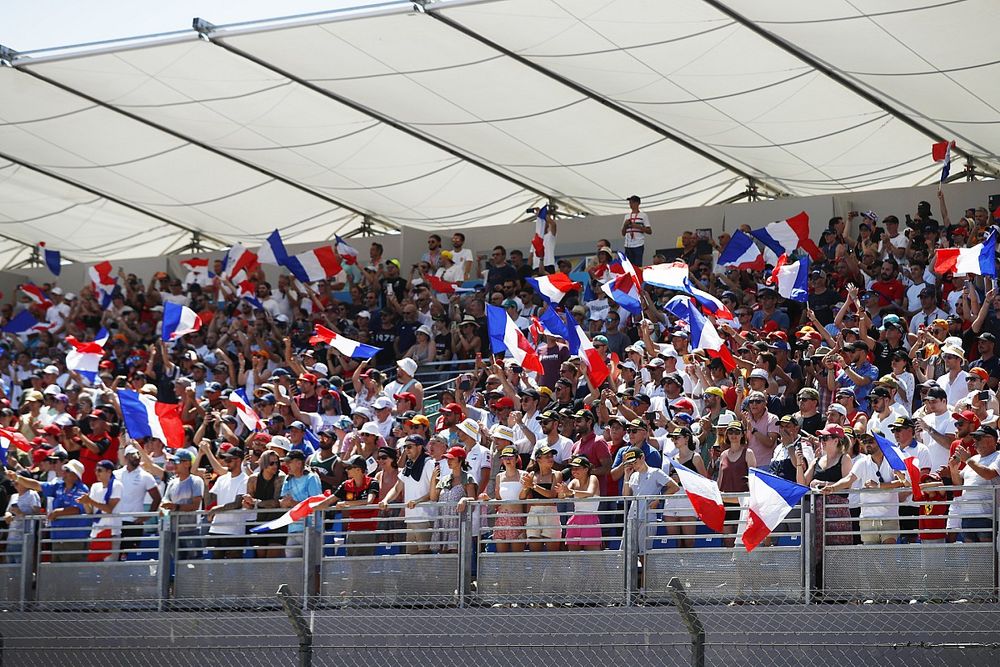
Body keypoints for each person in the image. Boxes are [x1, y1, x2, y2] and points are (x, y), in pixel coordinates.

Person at [6, 460, 89, 563]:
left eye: (67, 470)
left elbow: (76, 509)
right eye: (64, 469)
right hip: (57, 536)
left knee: (71, 571)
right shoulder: (59, 485)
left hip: (74, 538)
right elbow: (36, 485)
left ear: (76, 475)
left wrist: (57, 512)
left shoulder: (81, 489)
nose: (64, 472)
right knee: (56, 570)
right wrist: (17, 478)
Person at [380, 436, 437, 554]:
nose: (406, 449)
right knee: (411, 558)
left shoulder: (429, 463)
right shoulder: (409, 465)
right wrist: (386, 500)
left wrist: (418, 501)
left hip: (425, 517)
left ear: (420, 447)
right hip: (411, 518)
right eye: (405, 447)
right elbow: (397, 488)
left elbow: (435, 491)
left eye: (409, 446)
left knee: (424, 556)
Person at [948, 425, 1000, 543]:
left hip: (986, 515)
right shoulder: (974, 459)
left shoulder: (998, 456)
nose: (974, 442)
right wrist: (953, 469)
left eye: (978, 438)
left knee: (986, 554)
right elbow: (959, 484)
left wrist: (967, 460)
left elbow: (989, 474)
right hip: (967, 514)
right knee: (972, 556)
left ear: (990, 440)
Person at [429, 446, 477, 553]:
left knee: (456, 556)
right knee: (444, 559)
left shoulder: (468, 478)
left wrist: (465, 499)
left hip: (458, 525)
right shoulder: (444, 479)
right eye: (447, 459)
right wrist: (433, 479)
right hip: (443, 523)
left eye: (452, 458)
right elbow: (433, 497)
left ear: (460, 460)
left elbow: (473, 500)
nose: (448, 461)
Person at [332, 455, 381, 556]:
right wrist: (312, 506)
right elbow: (330, 500)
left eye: (349, 467)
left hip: (367, 530)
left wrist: (346, 503)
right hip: (351, 530)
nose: (346, 470)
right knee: (351, 565)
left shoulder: (373, 482)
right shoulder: (346, 484)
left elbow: (369, 500)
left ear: (358, 470)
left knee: (363, 566)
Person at [160, 450, 205, 560]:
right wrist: (164, 508)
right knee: (177, 563)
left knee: (194, 564)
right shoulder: (172, 482)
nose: (174, 465)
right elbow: (164, 502)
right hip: (174, 530)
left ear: (187, 463)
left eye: (177, 462)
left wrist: (174, 507)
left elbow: (195, 505)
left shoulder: (196, 481)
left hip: (191, 530)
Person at [717, 421, 756, 547]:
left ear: (742, 435)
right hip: (726, 501)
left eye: (737, 432)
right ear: (727, 435)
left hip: (743, 502)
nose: (734, 435)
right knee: (728, 539)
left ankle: (742, 565)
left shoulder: (748, 453)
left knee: (742, 538)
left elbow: (753, 478)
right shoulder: (723, 454)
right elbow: (720, 479)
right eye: (731, 432)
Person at [242, 449, 287, 558]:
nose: (275, 466)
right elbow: (250, 503)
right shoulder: (253, 479)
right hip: (260, 522)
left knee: (272, 558)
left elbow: (276, 503)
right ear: (264, 463)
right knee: (261, 560)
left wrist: (255, 502)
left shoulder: (280, 477)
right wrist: (247, 503)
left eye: (277, 463)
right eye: (271, 463)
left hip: (277, 523)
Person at [206, 447, 249, 559]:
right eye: (225, 460)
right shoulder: (221, 479)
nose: (226, 463)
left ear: (239, 460)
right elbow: (208, 501)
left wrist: (215, 509)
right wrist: (206, 484)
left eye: (229, 460)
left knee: (234, 567)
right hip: (216, 528)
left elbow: (237, 504)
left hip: (235, 530)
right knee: (216, 565)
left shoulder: (245, 479)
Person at [278, 450, 321, 559]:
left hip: (311, 528)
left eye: (289, 462)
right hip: (293, 528)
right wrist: (284, 503)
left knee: (314, 565)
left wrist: (292, 503)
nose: (286, 465)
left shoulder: (312, 478)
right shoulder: (288, 479)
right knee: (292, 567)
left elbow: (315, 503)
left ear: (299, 463)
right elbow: (283, 501)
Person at [520, 444, 563, 552]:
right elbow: (522, 497)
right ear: (538, 459)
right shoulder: (531, 475)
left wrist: (533, 486)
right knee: (534, 553)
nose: (551, 459)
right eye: (547, 456)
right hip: (534, 513)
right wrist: (526, 488)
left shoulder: (556, 474)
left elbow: (552, 495)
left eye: (551, 456)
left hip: (550, 513)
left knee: (553, 554)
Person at [78, 459, 122, 562]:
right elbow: (90, 512)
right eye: (96, 470)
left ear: (109, 472)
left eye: (99, 470)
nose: (96, 473)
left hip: (111, 532)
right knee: (94, 567)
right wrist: (85, 502)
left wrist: (90, 501)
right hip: (96, 532)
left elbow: (109, 509)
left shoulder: (117, 485)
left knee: (108, 568)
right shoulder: (94, 486)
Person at [556, 455, 601, 551]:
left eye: (577, 468)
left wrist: (570, 492)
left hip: (590, 519)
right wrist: (561, 491)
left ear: (586, 469)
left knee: (593, 556)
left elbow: (590, 493)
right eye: (572, 469)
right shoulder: (574, 481)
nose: (574, 471)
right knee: (574, 556)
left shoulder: (593, 478)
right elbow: (562, 496)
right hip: (575, 520)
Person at [485, 444, 525, 552]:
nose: (507, 460)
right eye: (505, 457)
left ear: (516, 459)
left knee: (517, 558)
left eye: (510, 457)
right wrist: (487, 499)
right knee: (501, 557)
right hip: (501, 518)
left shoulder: (524, 475)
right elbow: (498, 500)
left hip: (517, 518)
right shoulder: (499, 476)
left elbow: (525, 499)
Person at [621, 195, 651, 266]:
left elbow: (649, 231)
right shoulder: (627, 216)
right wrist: (625, 225)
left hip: (638, 244)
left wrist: (637, 226)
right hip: (628, 244)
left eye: (633, 202)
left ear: (638, 203)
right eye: (630, 202)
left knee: (637, 265)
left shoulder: (643, 215)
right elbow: (623, 233)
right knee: (629, 266)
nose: (631, 204)